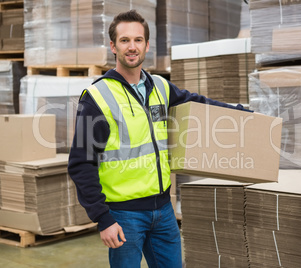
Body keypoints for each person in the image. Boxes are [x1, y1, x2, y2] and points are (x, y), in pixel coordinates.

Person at [68, 9, 250, 268]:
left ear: (147, 45)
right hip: (123, 215)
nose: (132, 47)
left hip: (163, 211)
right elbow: (81, 163)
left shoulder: (161, 87)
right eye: (125, 40)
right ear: (113, 46)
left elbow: (200, 104)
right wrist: (103, 219)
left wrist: (241, 113)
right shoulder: (98, 97)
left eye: (138, 40)